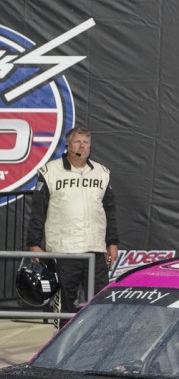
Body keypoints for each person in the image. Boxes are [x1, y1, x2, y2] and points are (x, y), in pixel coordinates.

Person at [27, 126, 119, 328]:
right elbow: (38, 210)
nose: (82, 146)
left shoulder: (102, 172)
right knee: (66, 307)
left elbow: (110, 210)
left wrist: (112, 241)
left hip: (94, 249)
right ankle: (62, 350)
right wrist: (34, 243)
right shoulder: (50, 171)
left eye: (86, 142)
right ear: (67, 145)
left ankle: (98, 344)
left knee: (100, 302)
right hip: (64, 250)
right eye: (78, 141)